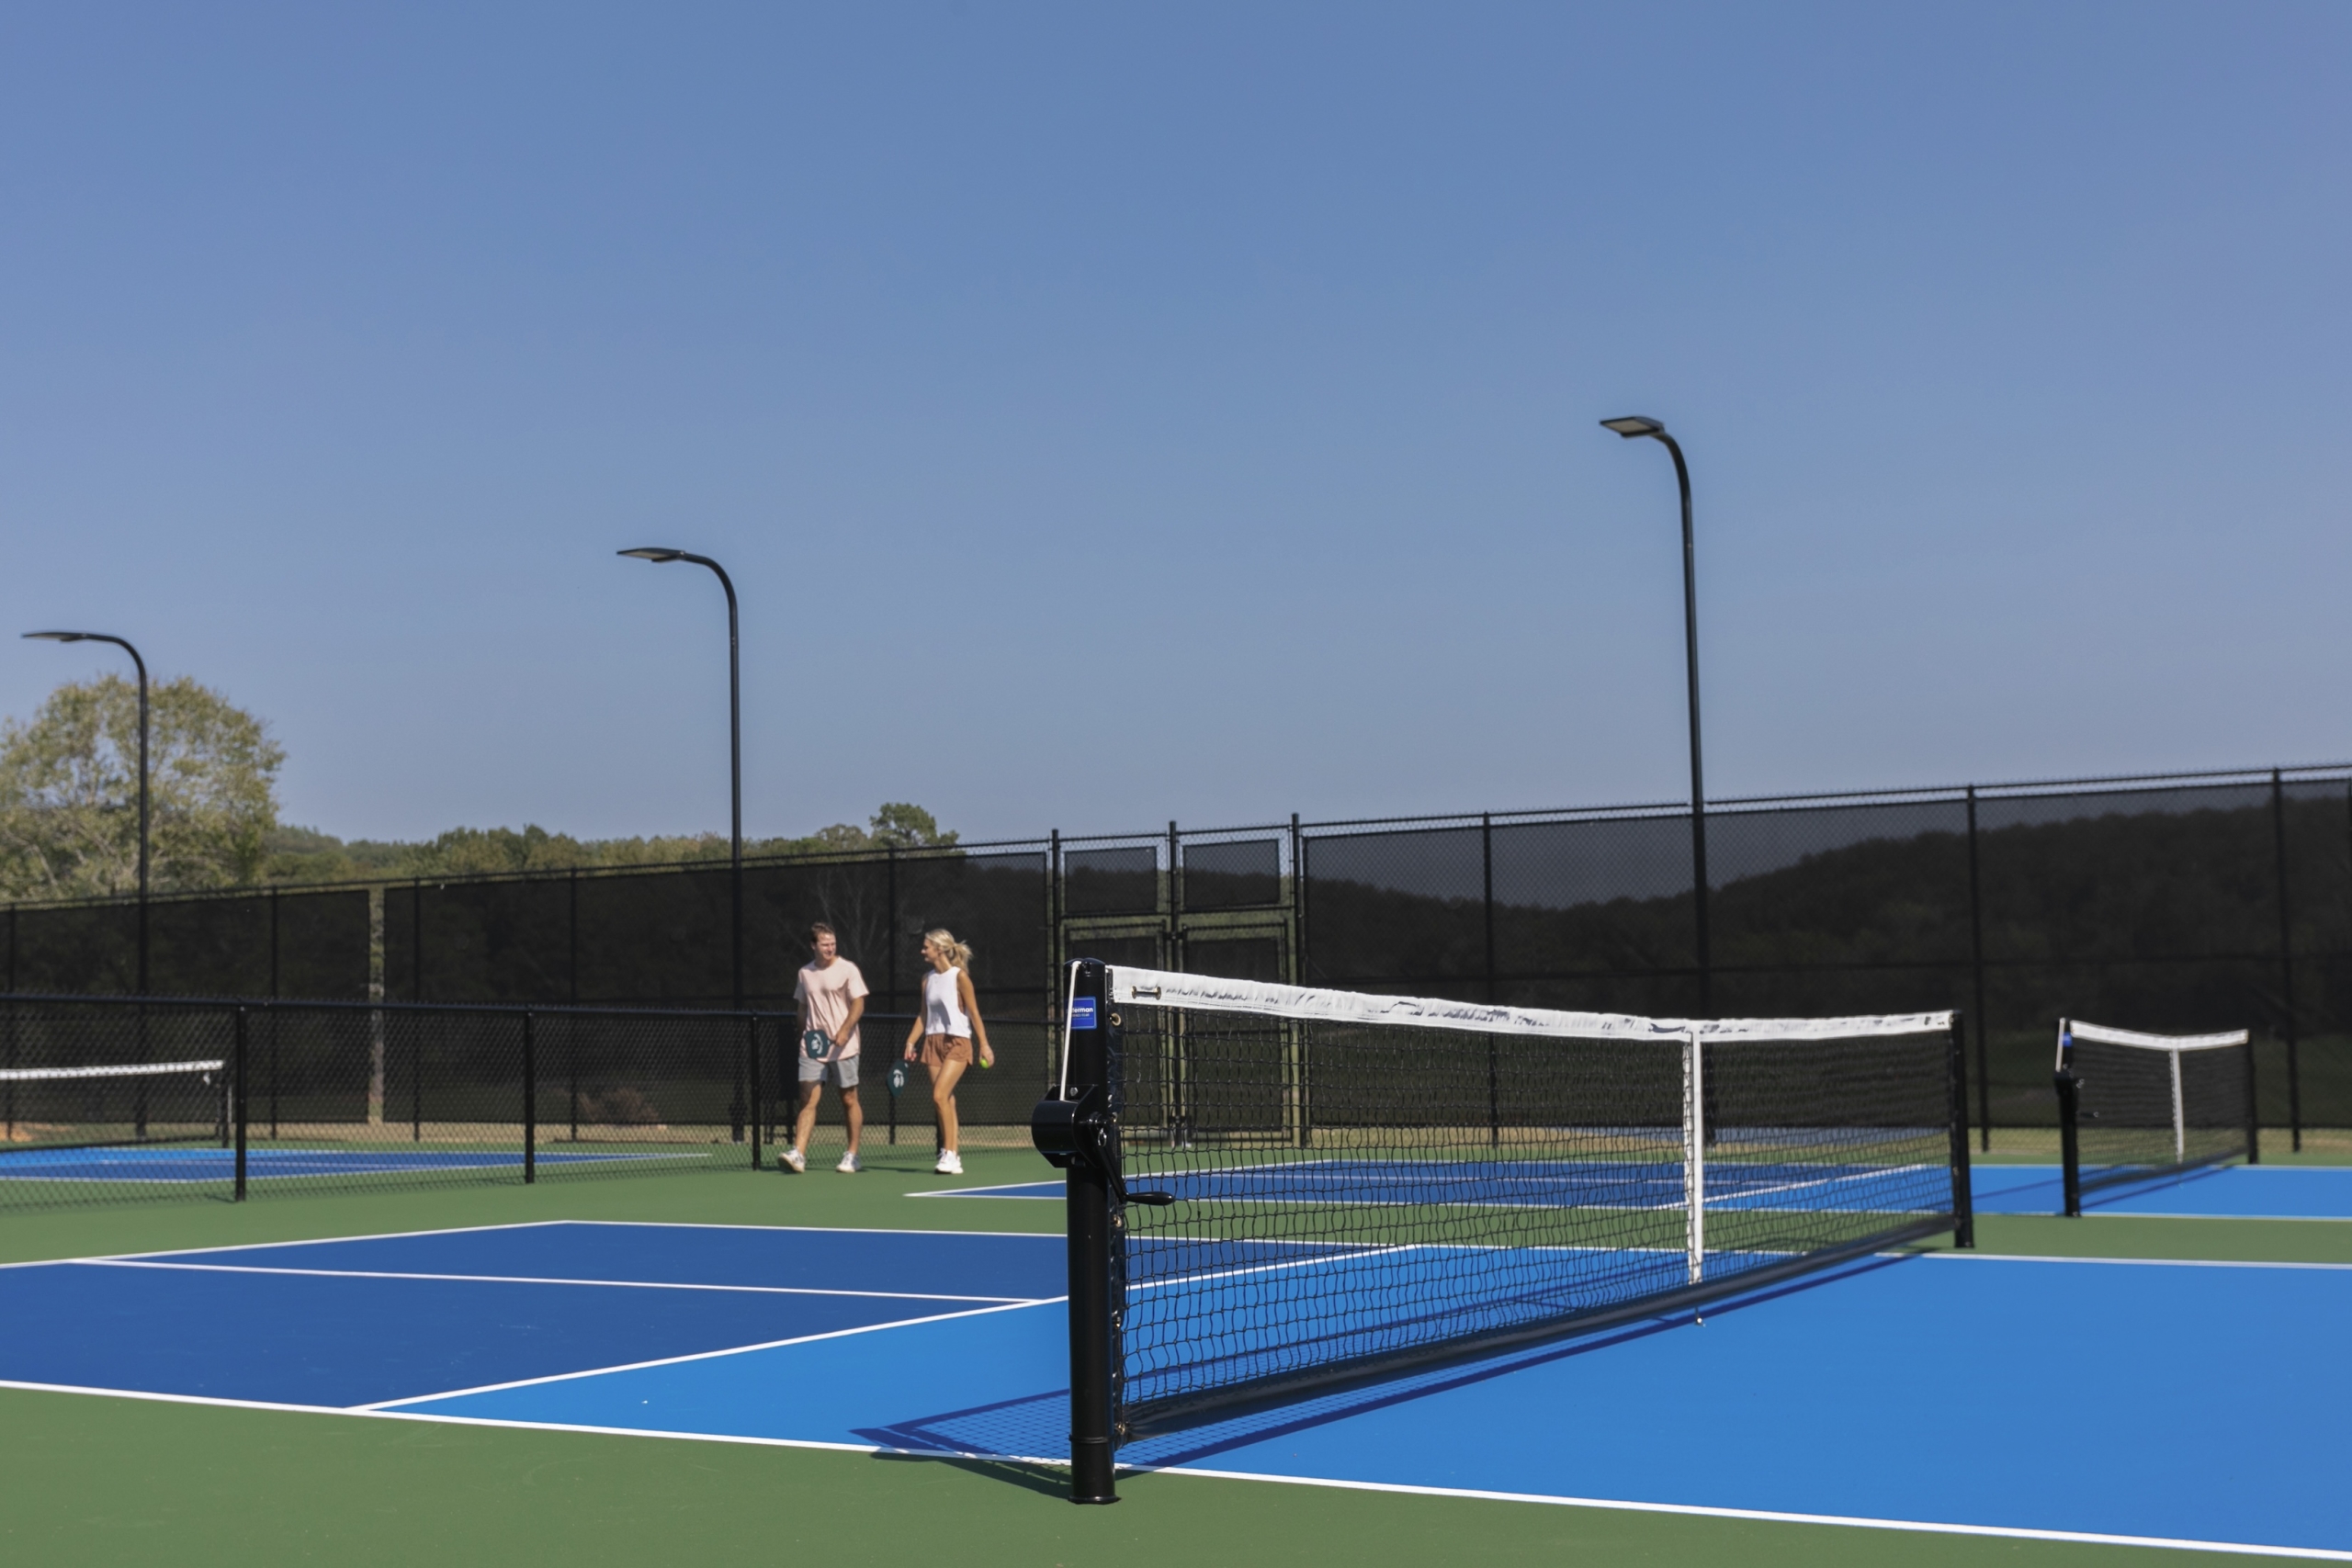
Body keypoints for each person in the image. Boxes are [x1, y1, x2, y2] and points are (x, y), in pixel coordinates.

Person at [902, 928, 992, 1176]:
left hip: (958, 1042)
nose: (923, 951)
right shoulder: (926, 979)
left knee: (939, 1096)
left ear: (939, 949)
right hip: (933, 1042)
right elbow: (924, 1015)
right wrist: (911, 1041)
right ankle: (952, 1155)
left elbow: (973, 1013)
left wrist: (984, 1045)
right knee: (945, 1099)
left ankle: (949, 1153)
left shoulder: (959, 977)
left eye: (926, 947)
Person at [785, 922, 867, 1174]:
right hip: (813, 1046)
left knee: (848, 1098)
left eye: (833, 943)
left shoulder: (848, 969)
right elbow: (802, 1008)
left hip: (845, 1046)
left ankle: (852, 1155)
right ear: (813, 945)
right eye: (824, 944)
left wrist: (844, 1030)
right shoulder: (805, 973)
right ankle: (798, 1154)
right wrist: (803, 1036)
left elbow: (859, 1004)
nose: (830, 947)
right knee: (808, 1099)